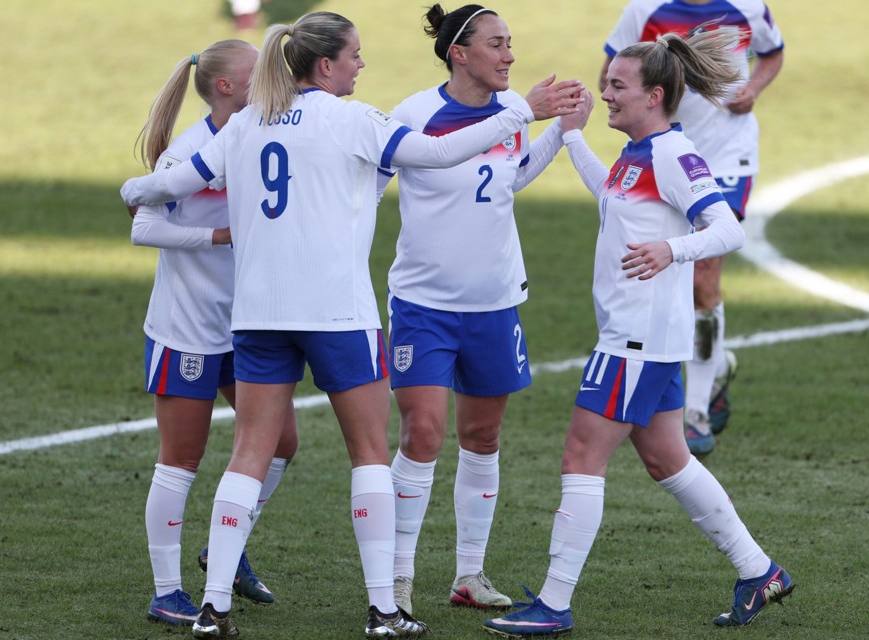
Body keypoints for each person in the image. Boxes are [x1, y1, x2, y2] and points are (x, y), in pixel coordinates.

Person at [120, 11, 585, 638]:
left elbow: (169, 184)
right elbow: (441, 151)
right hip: (338, 314)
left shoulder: (245, 123)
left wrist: (134, 188)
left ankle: (213, 609)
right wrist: (521, 113)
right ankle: (385, 610)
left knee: (247, 453)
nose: (363, 65)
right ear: (326, 65)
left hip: (257, 317)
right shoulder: (357, 121)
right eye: (356, 56)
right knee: (368, 453)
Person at [484, 30, 793, 637]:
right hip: (646, 337)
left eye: (616, 87)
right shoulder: (639, 153)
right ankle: (759, 570)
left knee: (581, 454)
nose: (605, 94)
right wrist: (571, 135)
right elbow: (613, 196)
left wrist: (671, 250)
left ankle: (553, 603)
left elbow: (727, 228)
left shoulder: (673, 155)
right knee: (668, 460)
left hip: (635, 339)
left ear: (654, 96)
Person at [377, 3, 571, 615]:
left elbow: (507, 178)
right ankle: (398, 579)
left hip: (494, 304)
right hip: (424, 306)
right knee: (424, 432)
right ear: (460, 53)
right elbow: (388, 170)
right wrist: (526, 113)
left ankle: (470, 575)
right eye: (497, 44)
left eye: (510, 43)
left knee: (482, 436)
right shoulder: (414, 114)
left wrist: (560, 131)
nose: (510, 55)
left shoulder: (509, 115)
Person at [130, 39, 299, 627]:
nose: (273, 78)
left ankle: (222, 548)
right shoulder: (189, 152)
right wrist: (217, 240)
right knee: (182, 458)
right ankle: (167, 590)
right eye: (259, 72)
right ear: (226, 87)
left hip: (249, 324)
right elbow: (143, 226)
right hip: (189, 328)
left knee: (282, 444)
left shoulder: (263, 135)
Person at [601, 0, 785, 455]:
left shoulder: (746, 7)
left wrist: (754, 89)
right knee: (673, 279)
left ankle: (696, 411)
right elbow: (613, 67)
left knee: (704, 274)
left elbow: (773, 52)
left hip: (725, 157)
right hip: (667, 150)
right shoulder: (645, 10)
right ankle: (714, 362)